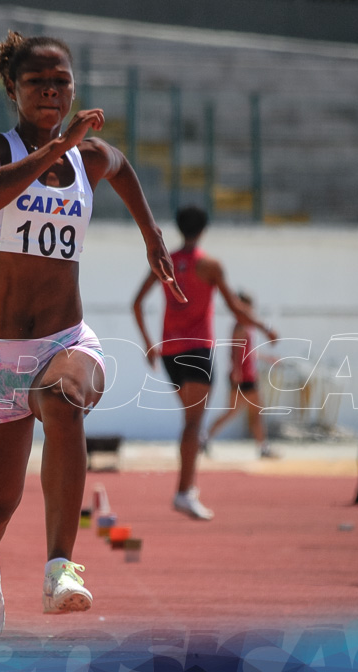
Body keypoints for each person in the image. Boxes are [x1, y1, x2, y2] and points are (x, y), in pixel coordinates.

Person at [0, 30, 182, 635]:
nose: (52, 91)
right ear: (13, 88)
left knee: (63, 401)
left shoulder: (87, 155)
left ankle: (61, 567)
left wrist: (151, 236)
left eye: (62, 82)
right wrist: (56, 147)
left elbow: (124, 167)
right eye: (37, 82)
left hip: (65, 342)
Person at [132, 206, 276, 521]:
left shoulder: (164, 261)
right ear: (203, 230)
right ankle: (184, 492)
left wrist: (149, 344)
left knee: (190, 423)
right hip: (197, 351)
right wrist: (264, 328)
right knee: (193, 425)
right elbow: (235, 307)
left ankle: (187, 489)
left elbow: (136, 304)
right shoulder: (210, 265)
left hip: (170, 352)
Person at [204, 291, 278, 458]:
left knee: (234, 411)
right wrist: (237, 373)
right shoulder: (241, 326)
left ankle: (205, 438)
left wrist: (267, 358)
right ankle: (263, 448)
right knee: (254, 412)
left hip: (244, 375)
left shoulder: (245, 326)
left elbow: (248, 352)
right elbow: (236, 352)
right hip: (244, 377)